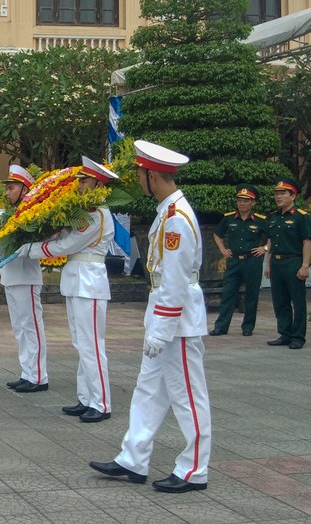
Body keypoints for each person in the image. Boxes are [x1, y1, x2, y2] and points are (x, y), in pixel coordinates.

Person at [90, 140, 211, 494]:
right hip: (164, 317)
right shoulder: (167, 211)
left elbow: (174, 281)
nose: (138, 180)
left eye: (140, 174)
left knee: (188, 395)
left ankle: (194, 470)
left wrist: (162, 327)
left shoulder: (176, 219)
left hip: (177, 322)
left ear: (152, 175)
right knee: (148, 390)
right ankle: (134, 458)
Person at [17, 157, 116, 420]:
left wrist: (32, 249)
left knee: (92, 345)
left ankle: (101, 403)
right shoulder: (84, 211)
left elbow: (68, 245)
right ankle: (87, 398)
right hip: (77, 281)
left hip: (89, 283)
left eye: (84, 180)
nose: (80, 184)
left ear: (98, 183)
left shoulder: (96, 214)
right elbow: (63, 239)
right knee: (81, 343)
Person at [1, 165, 49, 393]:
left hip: (26, 277)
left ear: (24, 189)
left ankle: (39, 376)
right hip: (11, 275)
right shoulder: (11, 214)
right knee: (19, 327)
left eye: (11, 188)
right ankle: (27, 372)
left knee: (31, 327)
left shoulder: (33, 213)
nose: (7, 193)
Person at [209, 184, 267, 337]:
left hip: (252, 261)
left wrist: (265, 248)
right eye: (240, 200)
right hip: (234, 261)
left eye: (246, 201)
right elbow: (217, 234)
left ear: (253, 203)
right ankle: (221, 326)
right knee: (228, 293)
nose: (242, 203)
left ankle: (247, 327)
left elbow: (274, 236)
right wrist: (222, 249)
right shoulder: (229, 218)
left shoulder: (260, 220)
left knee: (251, 294)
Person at [265, 177, 311, 350]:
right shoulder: (273, 217)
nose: (278, 197)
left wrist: (305, 265)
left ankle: (298, 336)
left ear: (293, 196)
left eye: (283, 193)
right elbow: (270, 242)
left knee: (297, 301)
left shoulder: (301, 217)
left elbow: (307, 241)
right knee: (280, 301)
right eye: (277, 193)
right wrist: (268, 265)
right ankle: (285, 333)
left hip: (293, 261)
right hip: (277, 262)